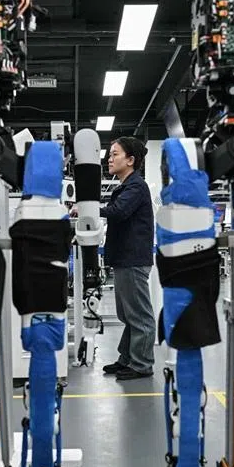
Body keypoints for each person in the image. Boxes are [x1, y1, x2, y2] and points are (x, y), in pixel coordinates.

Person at [99, 136, 156, 380]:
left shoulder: (136, 186)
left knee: (139, 315)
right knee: (127, 314)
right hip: (124, 259)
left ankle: (142, 364)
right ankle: (128, 358)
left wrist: (89, 208)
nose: (109, 158)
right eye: (109, 154)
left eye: (114, 154)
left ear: (131, 160)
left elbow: (119, 212)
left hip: (133, 259)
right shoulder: (125, 186)